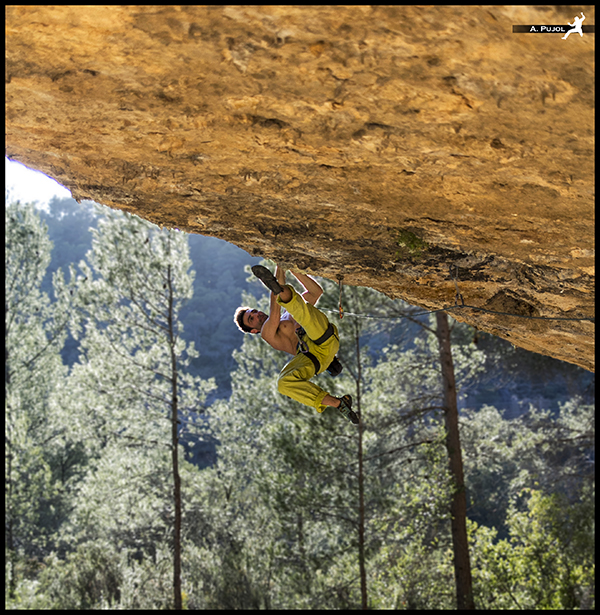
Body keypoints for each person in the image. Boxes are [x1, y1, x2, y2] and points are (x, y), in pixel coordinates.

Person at [234, 264, 359, 424]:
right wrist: (280, 268)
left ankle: (279, 287)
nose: (257, 315)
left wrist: (293, 269)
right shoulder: (267, 334)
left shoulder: (290, 311)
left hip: (323, 337)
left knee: (300, 312)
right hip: (314, 360)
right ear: (253, 331)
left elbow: (316, 292)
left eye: (254, 311)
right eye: (252, 319)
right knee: (283, 383)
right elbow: (274, 312)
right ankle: (337, 403)